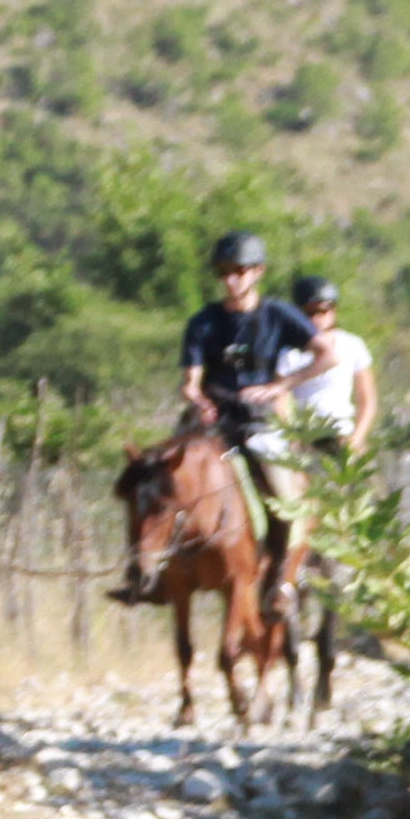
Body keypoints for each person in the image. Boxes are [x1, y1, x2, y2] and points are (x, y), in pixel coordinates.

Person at [139, 230, 320, 625]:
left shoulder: (278, 315)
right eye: (224, 272)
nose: (231, 279)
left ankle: (281, 580)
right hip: (213, 422)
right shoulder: (204, 321)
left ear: (258, 272)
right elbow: (190, 381)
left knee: (286, 498)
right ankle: (149, 573)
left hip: (257, 422)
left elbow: (328, 352)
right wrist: (197, 398)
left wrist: (283, 385)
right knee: (151, 481)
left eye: (239, 271)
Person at [289, 275, 379, 447]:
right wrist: (292, 438)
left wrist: (356, 439)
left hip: (342, 433)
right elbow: (280, 399)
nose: (316, 318)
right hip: (304, 436)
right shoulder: (289, 351)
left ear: (333, 310)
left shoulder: (352, 345)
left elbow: (367, 400)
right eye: (309, 313)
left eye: (323, 311)